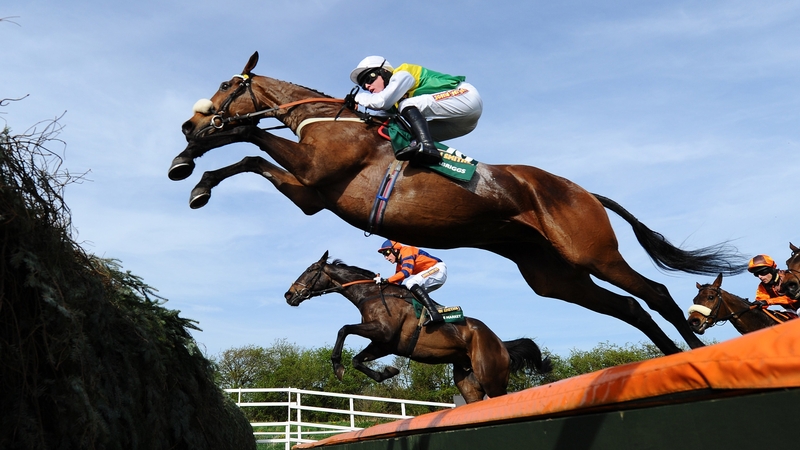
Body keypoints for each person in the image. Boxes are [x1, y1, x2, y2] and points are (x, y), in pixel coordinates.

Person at [347, 56, 483, 165]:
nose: (367, 86)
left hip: (466, 96)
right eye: (363, 86)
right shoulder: (393, 103)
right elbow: (379, 118)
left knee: (407, 103)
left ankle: (428, 147)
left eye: (369, 78)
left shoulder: (402, 73)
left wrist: (358, 97)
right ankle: (425, 153)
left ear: (384, 72)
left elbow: (381, 101)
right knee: (403, 131)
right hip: (463, 125)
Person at [375, 240, 447, 325]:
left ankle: (435, 314)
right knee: (409, 292)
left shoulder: (406, 251)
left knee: (410, 283)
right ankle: (437, 310)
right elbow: (397, 283)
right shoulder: (399, 264)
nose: (386, 257)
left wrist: (386, 280)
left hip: (438, 269)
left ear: (395, 249)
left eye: (386, 253)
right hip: (433, 274)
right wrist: (382, 286)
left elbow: (406, 272)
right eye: (383, 254)